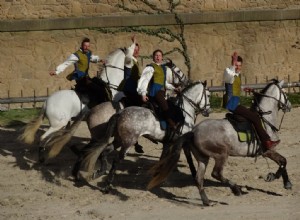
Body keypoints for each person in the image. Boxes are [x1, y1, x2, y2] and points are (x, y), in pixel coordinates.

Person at [223, 52, 280, 151]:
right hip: (231, 104)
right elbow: (229, 77)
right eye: (236, 65)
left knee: (253, 113)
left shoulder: (237, 74)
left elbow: (235, 86)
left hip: (236, 103)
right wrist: (233, 63)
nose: (237, 67)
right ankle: (267, 141)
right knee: (255, 117)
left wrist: (244, 88)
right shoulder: (228, 72)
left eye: (239, 65)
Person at [49, 37, 109, 107]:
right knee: (98, 89)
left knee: (100, 83)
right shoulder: (76, 55)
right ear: (81, 45)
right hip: (80, 78)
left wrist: (100, 60)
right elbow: (66, 63)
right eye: (85, 46)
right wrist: (57, 71)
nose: (86, 47)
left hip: (86, 77)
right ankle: (96, 106)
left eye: (88, 46)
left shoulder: (88, 53)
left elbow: (92, 58)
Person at [137, 49, 178, 130]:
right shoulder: (150, 67)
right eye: (156, 55)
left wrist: (174, 88)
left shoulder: (163, 68)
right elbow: (144, 80)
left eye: (159, 55)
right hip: (155, 92)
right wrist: (143, 94)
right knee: (164, 104)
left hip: (163, 92)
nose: (158, 57)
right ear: (153, 57)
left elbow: (164, 83)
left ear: (162, 57)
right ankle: (171, 124)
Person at [119, 35, 143, 107]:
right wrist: (134, 42)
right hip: (128, 89)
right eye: (134, 50)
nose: (136, 51)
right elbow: (129, 54)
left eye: (137, 50)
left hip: (134, 89)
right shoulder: (129, 61)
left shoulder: (136, 62)